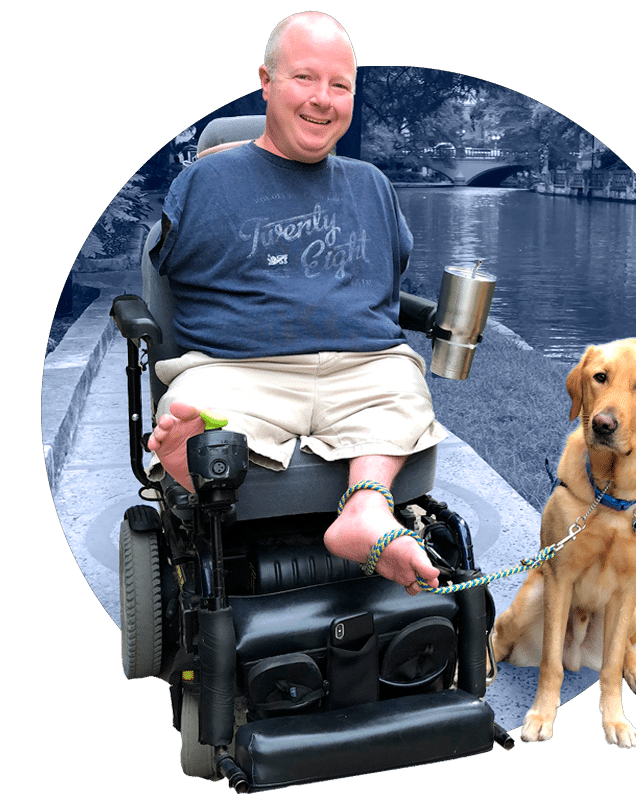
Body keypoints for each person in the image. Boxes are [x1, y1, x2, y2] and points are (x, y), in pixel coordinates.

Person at [146, 11, 444, 595]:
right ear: (267, 82)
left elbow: (392, 270)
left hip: (364, 367)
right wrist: (224, 165)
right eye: (305, 78)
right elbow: (163, 270)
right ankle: (192, 457)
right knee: (194, 401)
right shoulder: (207, 180)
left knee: (404, 390)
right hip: (240, 369)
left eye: (340, 85)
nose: (322, 100)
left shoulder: (372, 185)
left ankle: (365, 509)